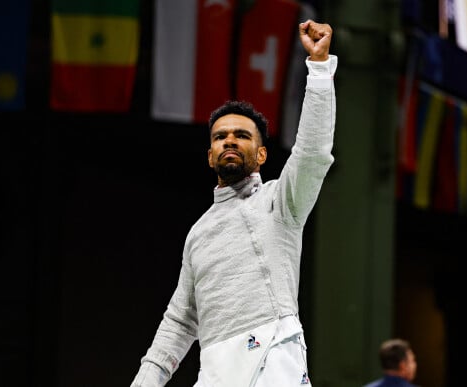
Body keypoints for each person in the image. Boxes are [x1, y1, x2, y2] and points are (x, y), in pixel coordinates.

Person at [131, 19, 337, 387]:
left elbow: (312, 154)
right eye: (220, 137)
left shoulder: (281, 202)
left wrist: (319, 69)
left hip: (274, 359)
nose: (229, 141)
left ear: (260, 155)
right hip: (215, 370)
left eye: (241, 136)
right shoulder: (198, 234)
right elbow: (179, 321)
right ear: (210, 155)